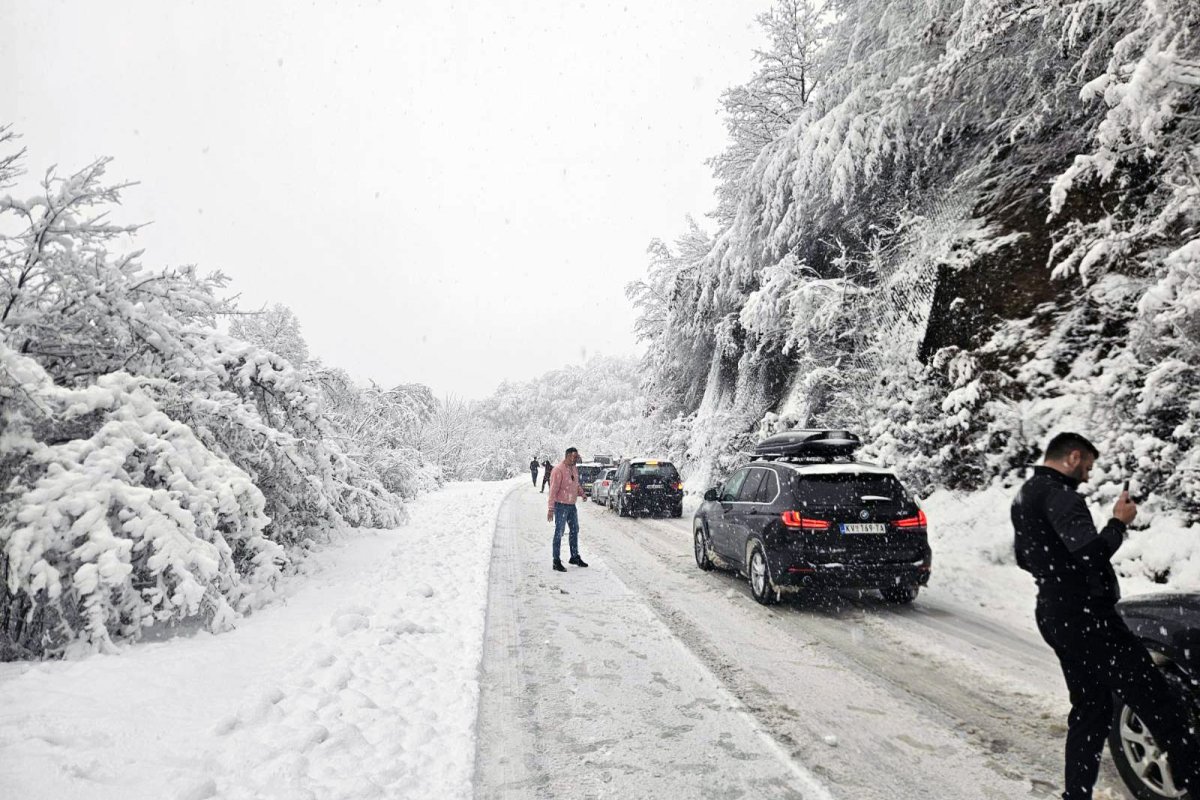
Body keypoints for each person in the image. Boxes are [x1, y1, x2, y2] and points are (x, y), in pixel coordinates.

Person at [1011, 432, 1200, 800]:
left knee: (1091, 709)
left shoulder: (1025, 495)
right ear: (1073, 456)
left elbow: (1024, 558)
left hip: (1055, 613)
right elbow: (1092, 554)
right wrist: (1119, 522)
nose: (1087, 476)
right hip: (1087, 618)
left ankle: (1076, 796)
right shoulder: (1060, 496)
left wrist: (1057, 571)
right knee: (1159, 702)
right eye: (1087, 467)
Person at [546, 447, 588, 572]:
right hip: (560, 506)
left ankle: (574, 556)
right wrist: (550, 509)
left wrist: (582, 493)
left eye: (577, 456)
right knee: (559, 532)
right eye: (575, 456)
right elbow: (552, 491)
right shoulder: (558, 470)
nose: (577, 459)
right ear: (568, 455)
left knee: (575, 530)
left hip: (571, 505)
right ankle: (556, 560)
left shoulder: (574, 468)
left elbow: (575, 484)